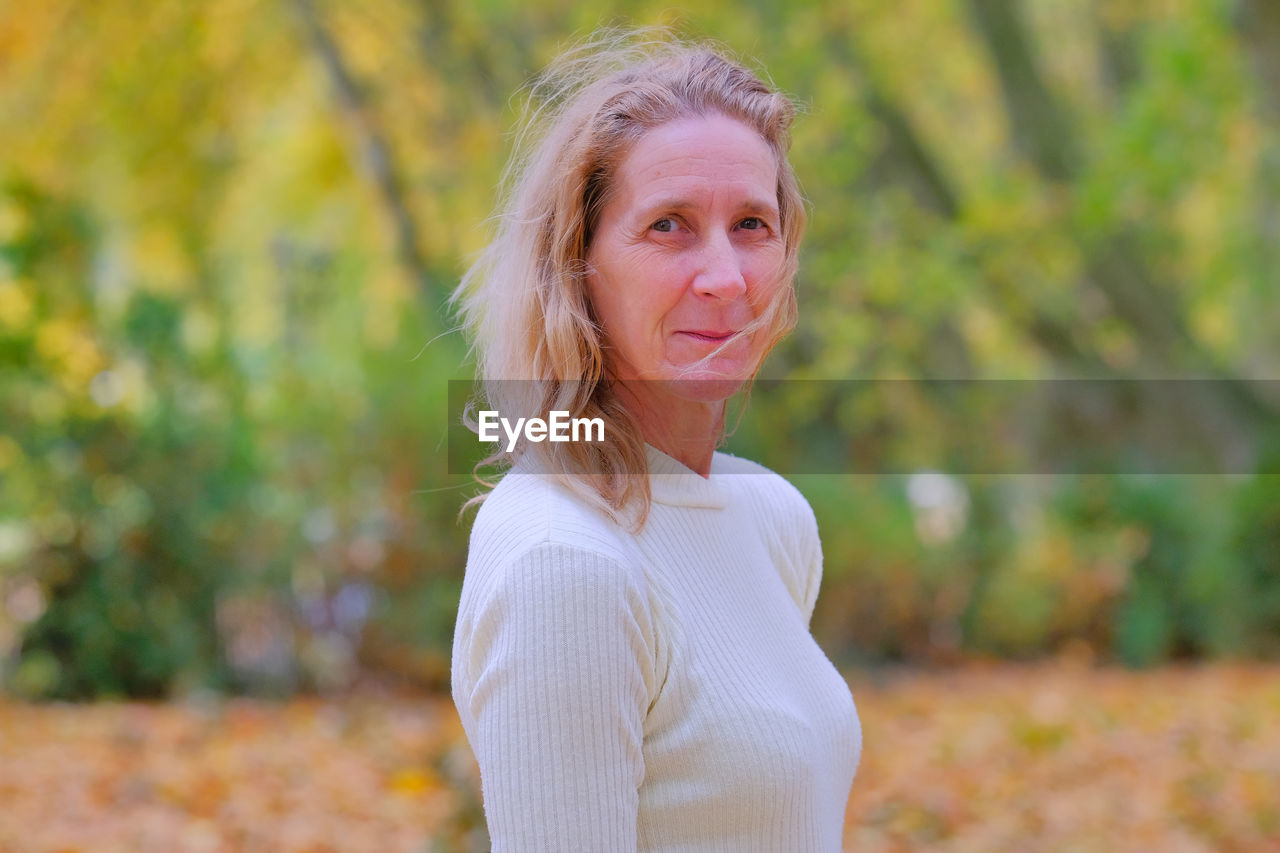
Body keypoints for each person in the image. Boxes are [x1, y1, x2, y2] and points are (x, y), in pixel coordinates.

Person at [449, 30, 861, 852]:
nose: (726, 277)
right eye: (669, 226)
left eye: (752, 224)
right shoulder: (564, 563)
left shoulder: (769, 518)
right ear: (576, 267)